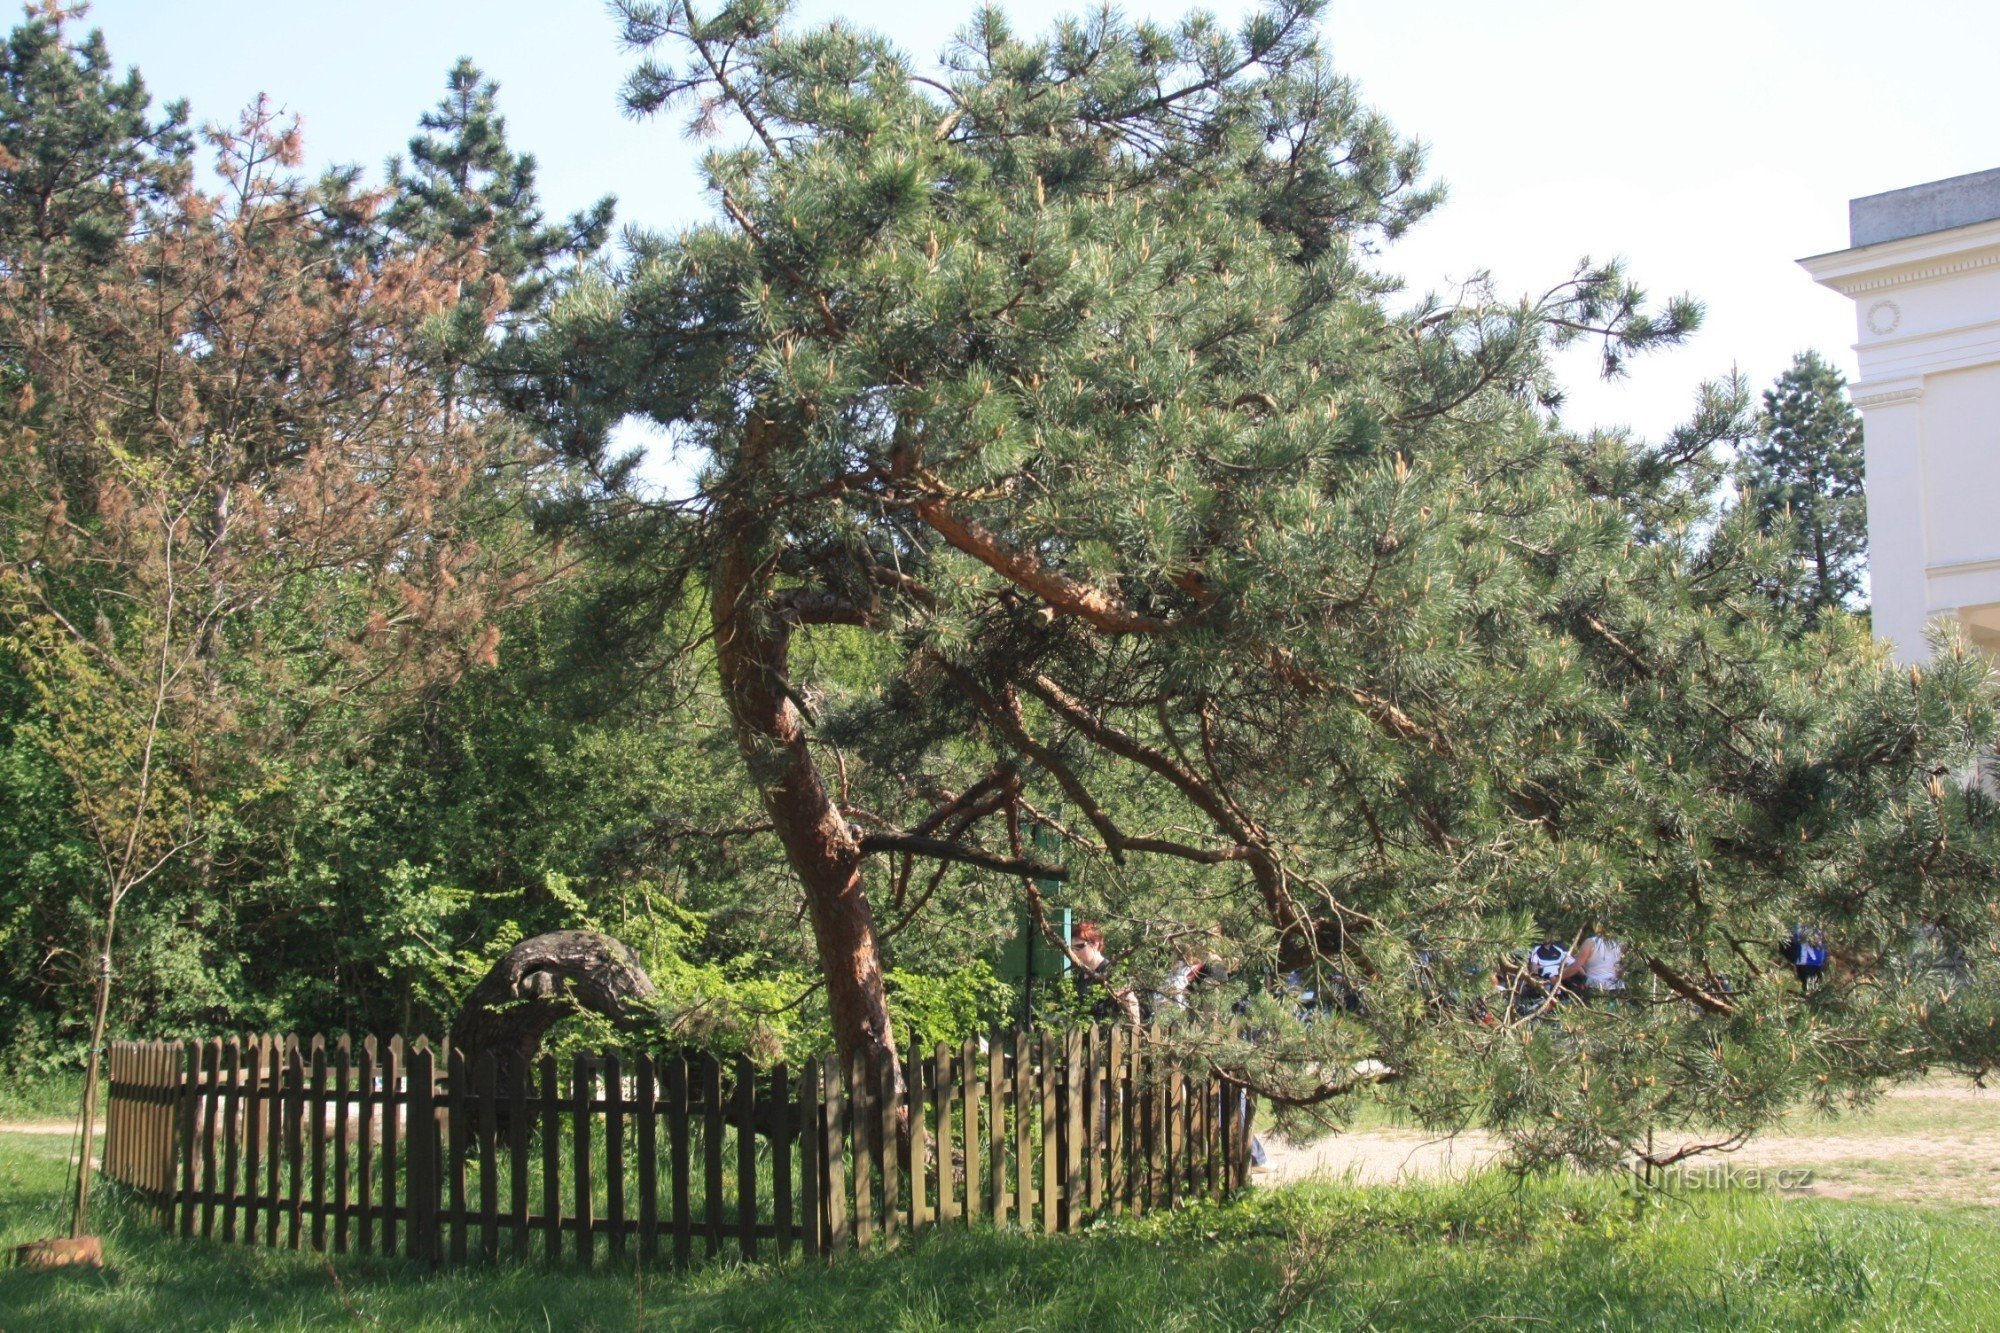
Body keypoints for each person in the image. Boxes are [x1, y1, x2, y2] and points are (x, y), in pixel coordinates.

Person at [1072, 921, 1141, 1027]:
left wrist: (1131, 1034)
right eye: (1072, 948)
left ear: (1095, 944)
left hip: (1110, 1039)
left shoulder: (1111, 973)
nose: (1075, 952)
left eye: (1079, 947)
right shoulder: (1080, 975)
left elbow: (1131, 1005)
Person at [1573, 928, 1625, 1003]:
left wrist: (1559, 978)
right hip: (1616, 986)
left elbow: (1576, 967)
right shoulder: (1618, 944)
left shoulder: (1590, 942)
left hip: (1596, 986)